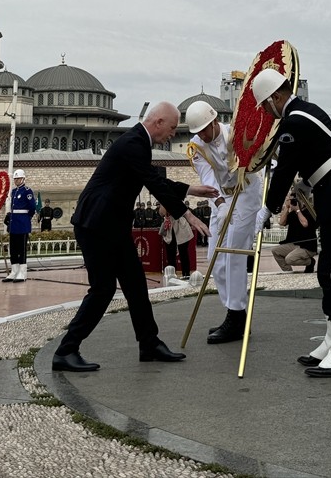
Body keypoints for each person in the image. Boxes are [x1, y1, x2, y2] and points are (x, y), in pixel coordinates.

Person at [51, 102, 214, 372]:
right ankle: (66, 351)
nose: (174, 134)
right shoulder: (133, 143)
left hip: (111, 226)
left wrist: (192, 190)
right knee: (103, 289)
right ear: (159, 122)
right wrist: (187, 214)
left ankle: (149, 344)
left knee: (136, 286)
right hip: (97, 226)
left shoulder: (138, 143)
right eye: (173, 127)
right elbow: (153, 181)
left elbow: (151, 178)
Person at [253, 70, 331, 379]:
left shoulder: (293, 121)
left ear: (275, 98)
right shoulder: (308, 110)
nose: (265, 112)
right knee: (330, 271)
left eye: (264, 105)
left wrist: (267, 210)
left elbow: (285, 170)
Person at [185, 99, 266, 344]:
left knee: (234, 255)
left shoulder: (236, 134)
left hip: (247, 194)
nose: (201, 135)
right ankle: (234, 314)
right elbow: (208, 180)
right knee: (215, 259)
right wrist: (220, 205)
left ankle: (236, 315)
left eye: (203, 130)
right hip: (220, 198)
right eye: (196, 132)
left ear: (213, 122)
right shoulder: (196, 147)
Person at [3, 169, 36, 282]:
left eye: (18, 179)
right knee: (13, 249)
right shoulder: (13, 192)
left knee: (21, 249)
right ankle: (14, 271)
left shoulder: (27, 191)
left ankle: (22, 272)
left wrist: (26, 218)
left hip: (22, 223)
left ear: (23, 179)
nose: (16, 181)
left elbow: (32, 208)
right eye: (15, 179)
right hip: (14, 224)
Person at [272, 191, 318, 273]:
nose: (294, 202)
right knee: (275, 250)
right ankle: (288, 271)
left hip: (307, 246)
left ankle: (310, 262)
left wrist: (298, 210)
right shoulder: (292, 213)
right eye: (292, 200)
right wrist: (287, 207)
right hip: (293, 244)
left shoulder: (309, 211)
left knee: (289, 259)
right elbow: (281, 223)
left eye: (295, 200)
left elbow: (305, 224)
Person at [157, 204, 194, 279]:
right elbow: (162, 213)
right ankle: (171, 275)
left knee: (184, 253)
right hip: (169, 227)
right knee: (170, 254)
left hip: (181, 226)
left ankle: (186, 275)